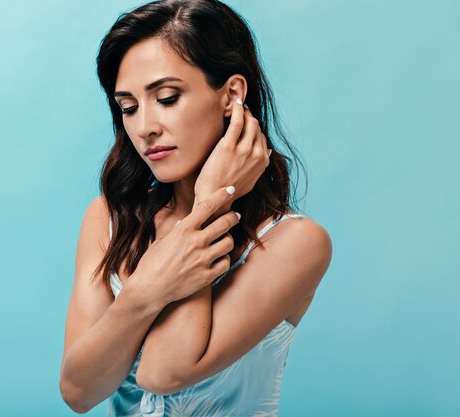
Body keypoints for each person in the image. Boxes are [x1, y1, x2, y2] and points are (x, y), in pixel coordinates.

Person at [60, 0, 333, 415]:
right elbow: (78, 392)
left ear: (232, 95)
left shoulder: (295, 242)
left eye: (167, 98)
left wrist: (208, 206)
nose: (144, 126)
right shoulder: (109, 219)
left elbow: (163, 372)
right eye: (128, 107)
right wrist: (144, 291)